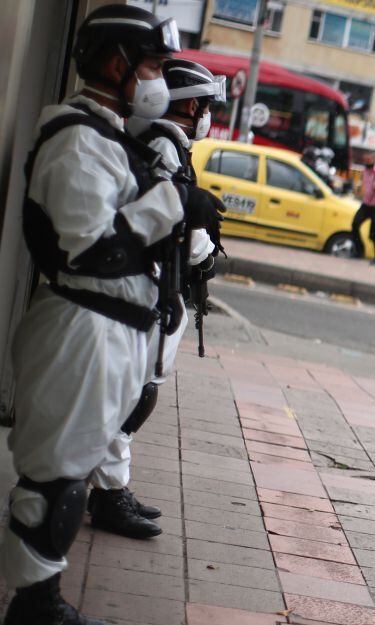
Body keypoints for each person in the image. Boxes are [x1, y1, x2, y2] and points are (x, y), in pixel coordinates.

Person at [0, 6, 188, 624]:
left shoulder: (108, 137)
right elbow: (92, 248)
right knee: (54, 482)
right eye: (155, 66)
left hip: (107, 331)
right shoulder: (77, 139)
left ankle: (40, 602)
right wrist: (169, 205)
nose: (160, 79)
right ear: (118, 64)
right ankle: (35, 609)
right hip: (81, 328)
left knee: (69, 474)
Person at [83, 58, 226, 541]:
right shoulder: (164, 142)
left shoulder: (167, 141)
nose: (208, 114)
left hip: (159, 281)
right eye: (205, 104)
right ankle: (106, 493)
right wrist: (203, 252)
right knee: (136, 392)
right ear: (189, 103)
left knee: (135, 390)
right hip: (156, 281)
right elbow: (169, 210)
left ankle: (110, 488)